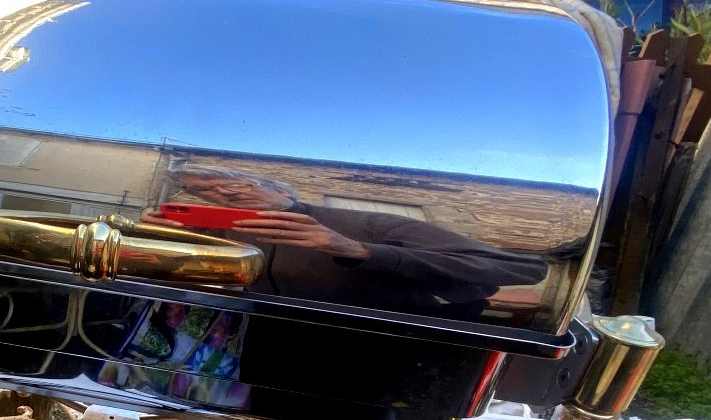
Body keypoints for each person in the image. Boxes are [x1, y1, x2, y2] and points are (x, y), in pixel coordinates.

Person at [143, 164, 547, 319]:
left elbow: (520, 269)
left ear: (274, 182)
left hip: (390, 347)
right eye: (207, 191)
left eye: (233, 182)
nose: (223, 193)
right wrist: (166, 239)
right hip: (270, 346)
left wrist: (360, 251)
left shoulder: (362, 222)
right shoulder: (226, 232)